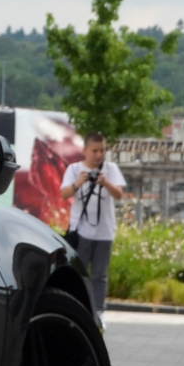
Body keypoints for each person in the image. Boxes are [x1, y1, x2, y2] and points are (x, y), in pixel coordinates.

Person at [60, 133, 126, 316]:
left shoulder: (111, 169)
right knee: (79, 274)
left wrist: (106, 182)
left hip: (105, 231)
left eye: (102, 150)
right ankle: (77, 309)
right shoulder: (74, 169)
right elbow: (64, 194)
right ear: (85, 151)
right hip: (81, 231)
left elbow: (119, 194)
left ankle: (98, 313)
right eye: (95, 151)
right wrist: (77, 184)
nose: (99, 155)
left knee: (100, 275)